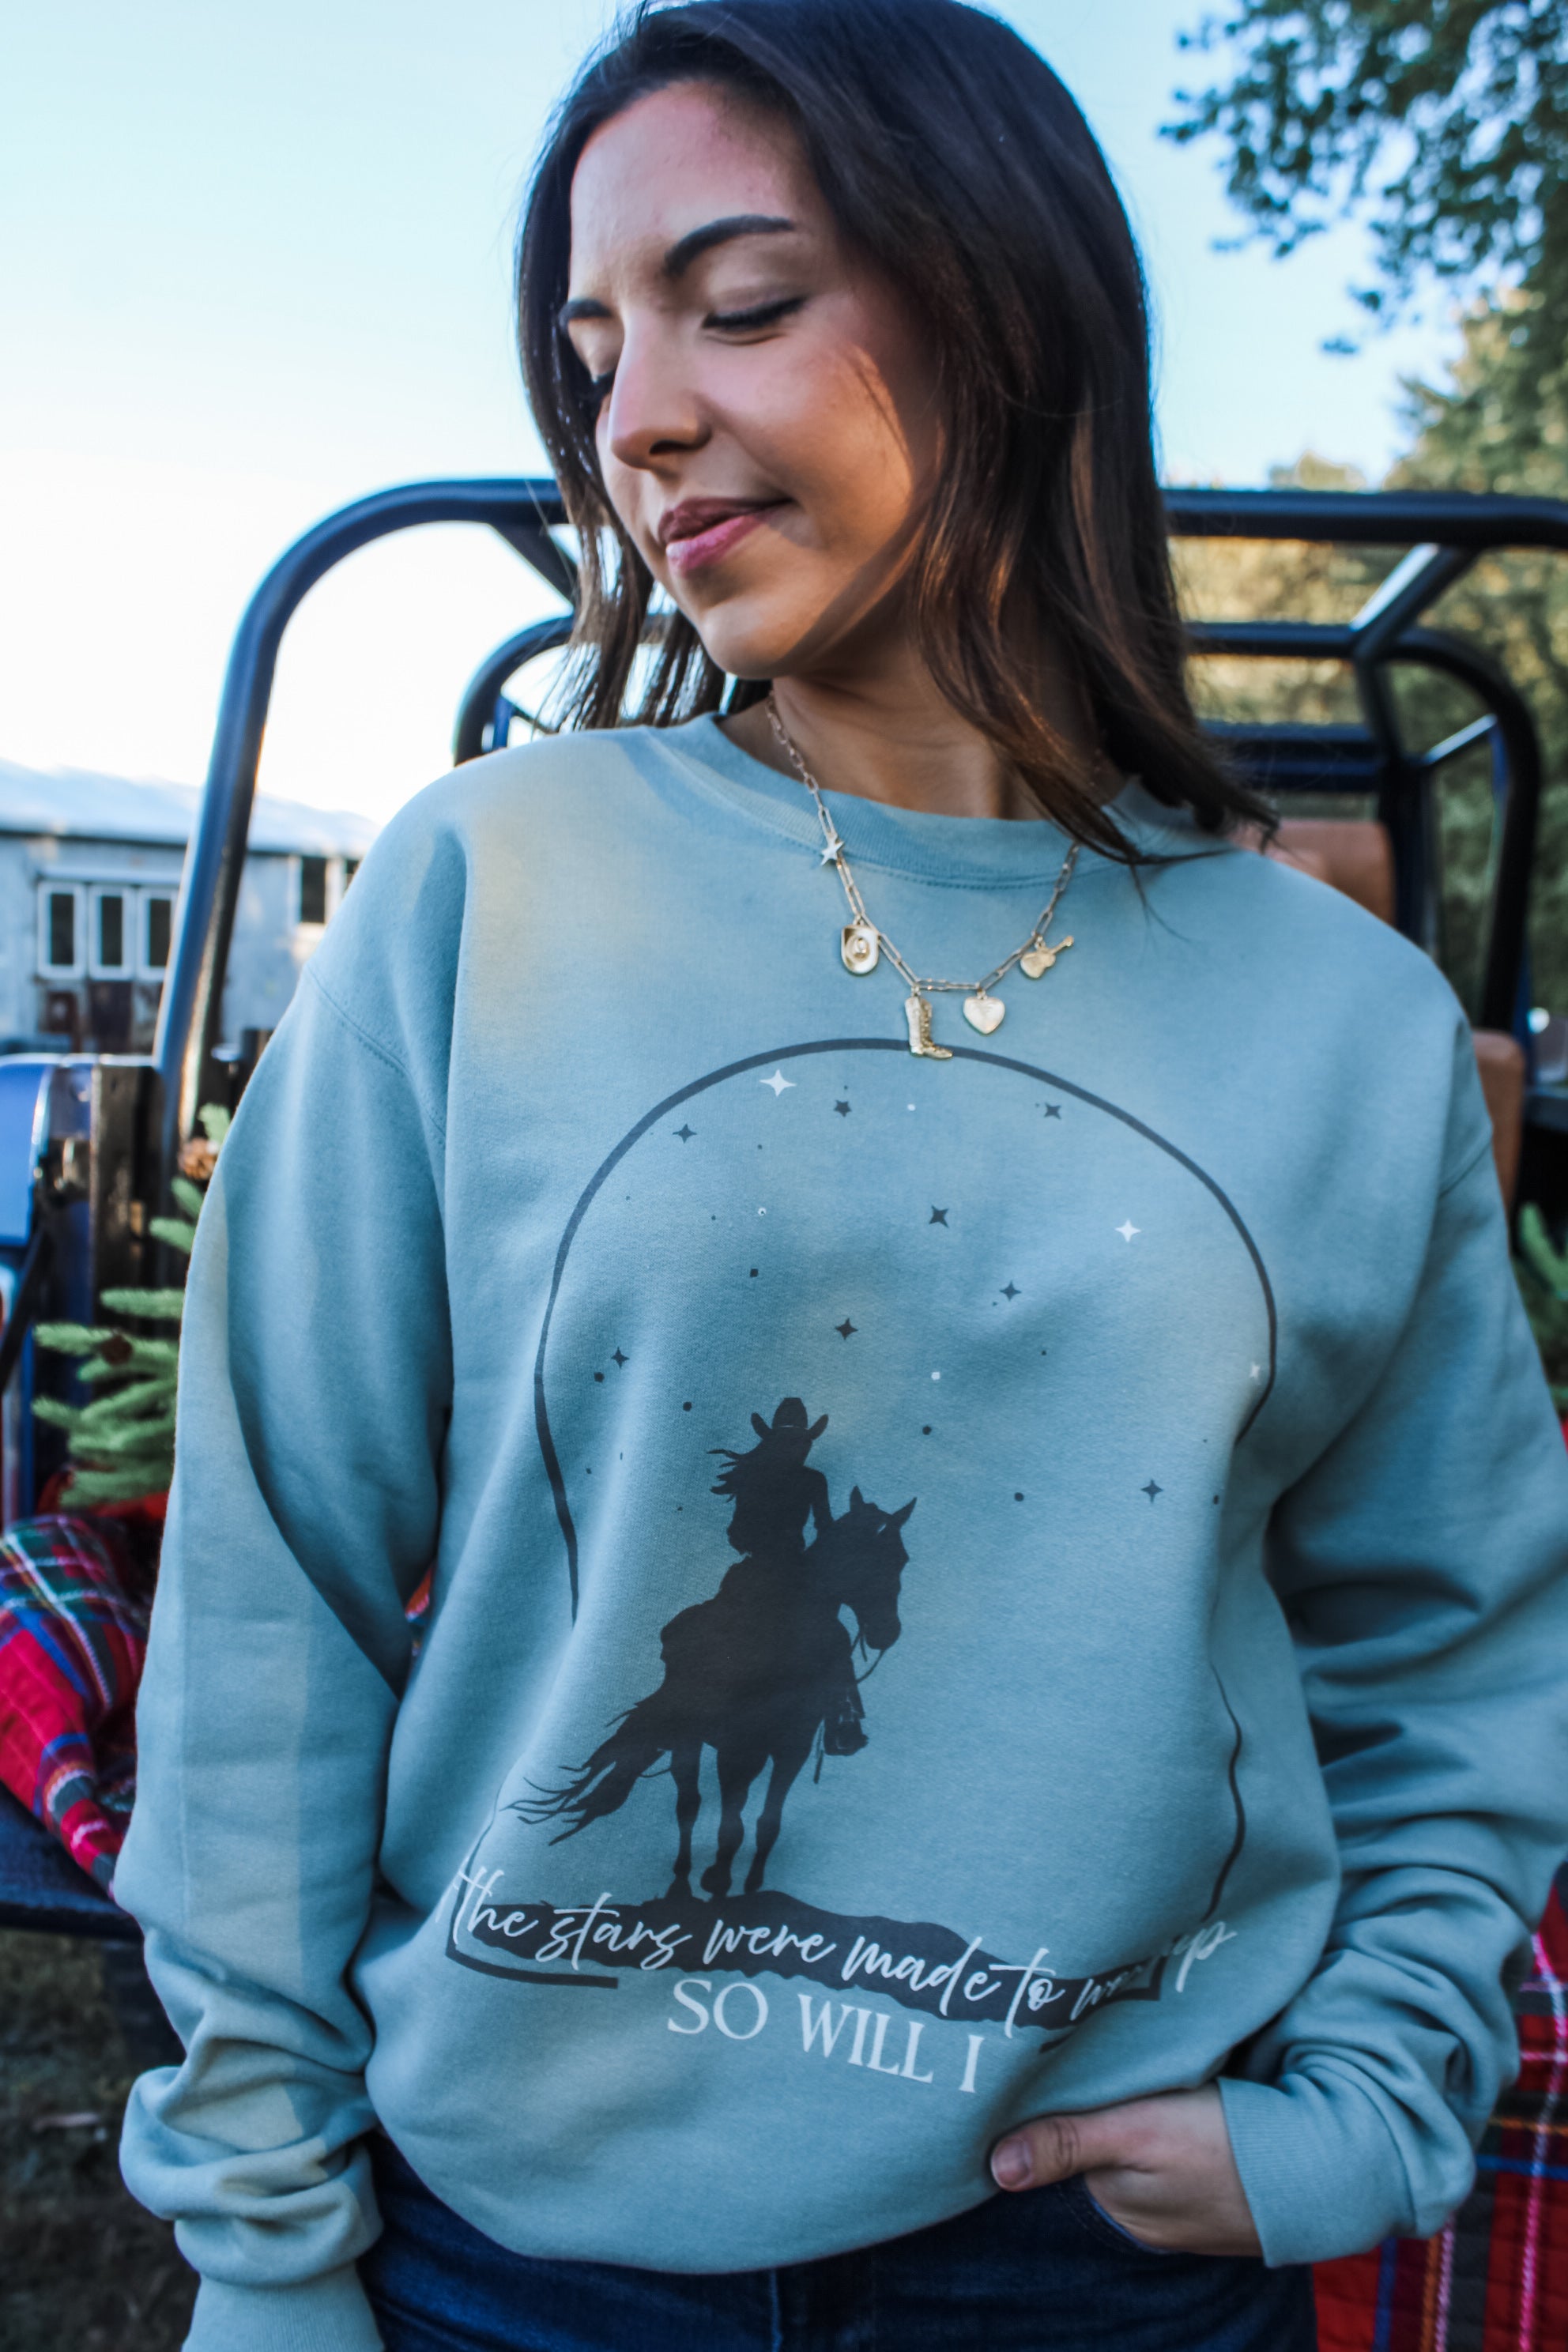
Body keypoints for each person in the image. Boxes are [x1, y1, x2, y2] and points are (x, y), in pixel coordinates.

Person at [116, 3, 1568, 2347]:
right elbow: (274, 1581)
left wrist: (1371, 2098)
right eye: (594, 355)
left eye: (745, 302)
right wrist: (262, 2249)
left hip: (1094, 2270)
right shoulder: (490, 888)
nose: (636, 417)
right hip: (522, 2262)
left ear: (1008, 307)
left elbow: (1456, 1635)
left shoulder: (1351, 1025)